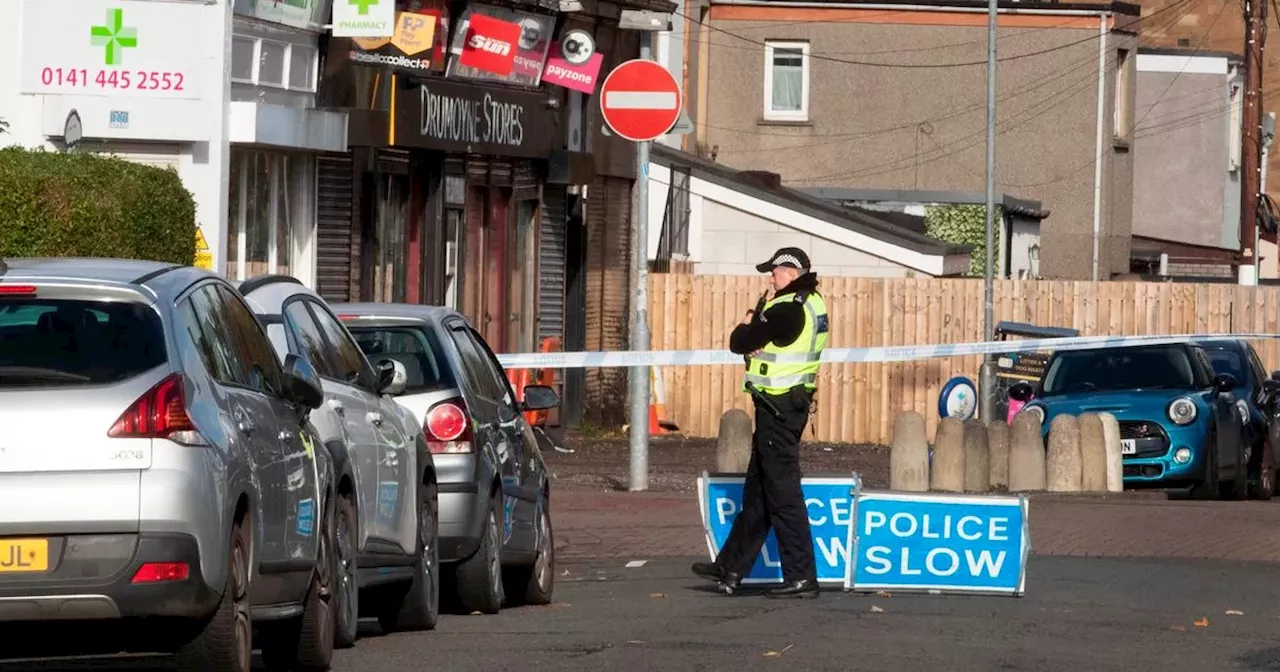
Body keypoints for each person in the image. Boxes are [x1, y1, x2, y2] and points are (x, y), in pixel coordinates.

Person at [692, 246, 828, 599]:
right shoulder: (812, 302)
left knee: (782, 494)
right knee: (759, 491)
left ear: (792, 273)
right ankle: (731, 567)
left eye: (775, 271)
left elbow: (740, 341)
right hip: (785, 405)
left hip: (779, 409)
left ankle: (801, 576)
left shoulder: (786, 308)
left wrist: (754, 314)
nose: (770, 277)